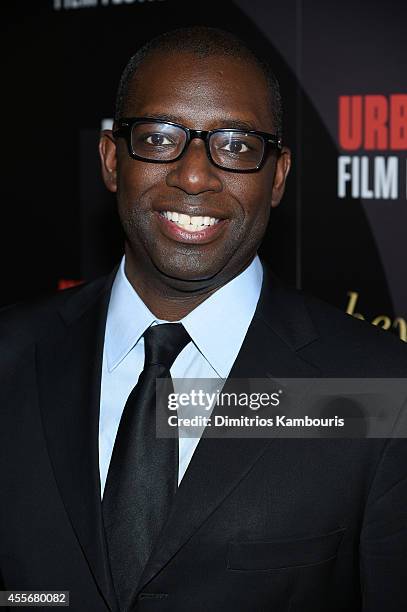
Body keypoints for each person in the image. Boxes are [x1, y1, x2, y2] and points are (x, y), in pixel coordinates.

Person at [1, 26, 407, 612]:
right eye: (161, 137)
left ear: (279, 177)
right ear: (113, 160)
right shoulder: (11, 357)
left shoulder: (377, 390)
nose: (194, 176)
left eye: (237, 145)